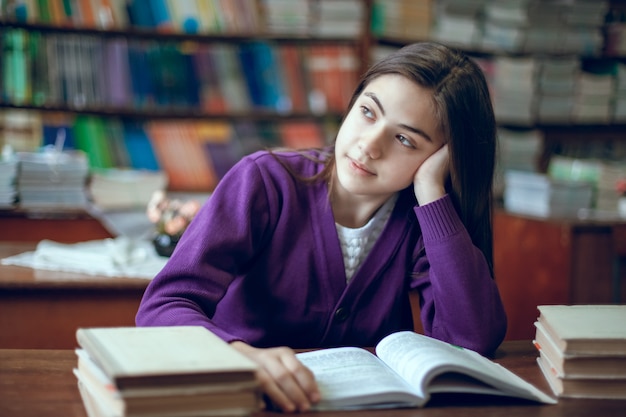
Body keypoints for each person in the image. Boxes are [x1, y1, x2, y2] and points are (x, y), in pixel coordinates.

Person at [136, 41, 507, 413]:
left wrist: (431, 192)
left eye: (405, 139)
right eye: (367, 112)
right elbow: (162, 306)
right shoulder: (265, 182)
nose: (369, 145)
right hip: (247, 402)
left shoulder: (422, 220)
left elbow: (471, 339)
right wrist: (238, 357)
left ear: (441, 159)